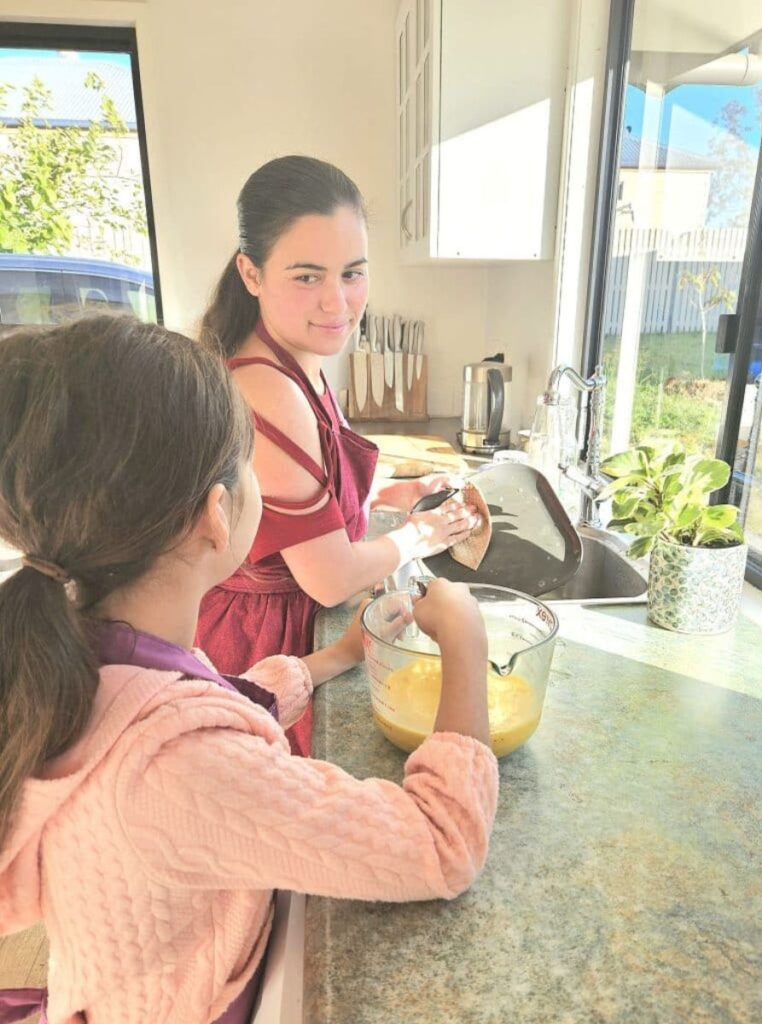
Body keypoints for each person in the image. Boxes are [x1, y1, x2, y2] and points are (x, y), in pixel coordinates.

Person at [0, 316, 497, 1024]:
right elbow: (440, 845)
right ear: (217, 513)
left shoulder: (86, 648)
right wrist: (466, 643)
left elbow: (208, 699)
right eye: (249, 463)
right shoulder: (176, 770)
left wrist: (334, 657)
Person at [197, 156, 477, 756]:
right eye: (306, 277)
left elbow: (306, 497)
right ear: (251, 273)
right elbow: (328, 579)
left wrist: (389, 494)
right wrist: (421, 533)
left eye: (352, 273)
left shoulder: (297, 359)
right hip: (268, 645)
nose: (338, 303)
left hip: (294, 629)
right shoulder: (266, 387)